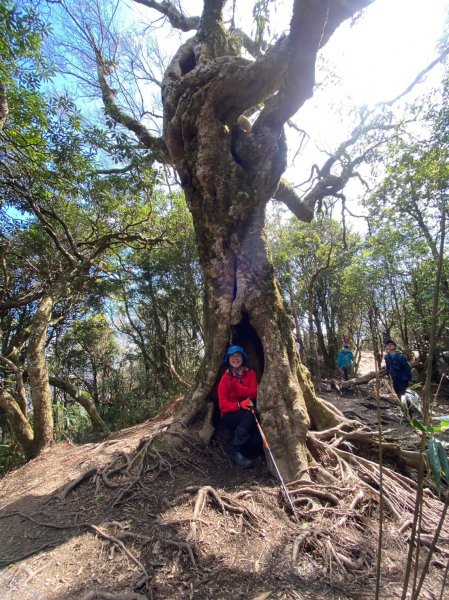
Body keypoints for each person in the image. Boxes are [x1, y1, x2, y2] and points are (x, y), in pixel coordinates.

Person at [217, 345, 261, 468]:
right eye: (232, 356)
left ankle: (243, 451)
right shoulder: (225, 378)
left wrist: (238, 390)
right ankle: (236, 451)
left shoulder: (250, 374)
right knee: (249, 414)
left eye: (238, 355)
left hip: (248, 413)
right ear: (228, 359)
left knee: (257, 442)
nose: (235, 358)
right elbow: (223, 405)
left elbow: (254, 392)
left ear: (243, 358)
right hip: (230, 415)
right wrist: (239, 404)